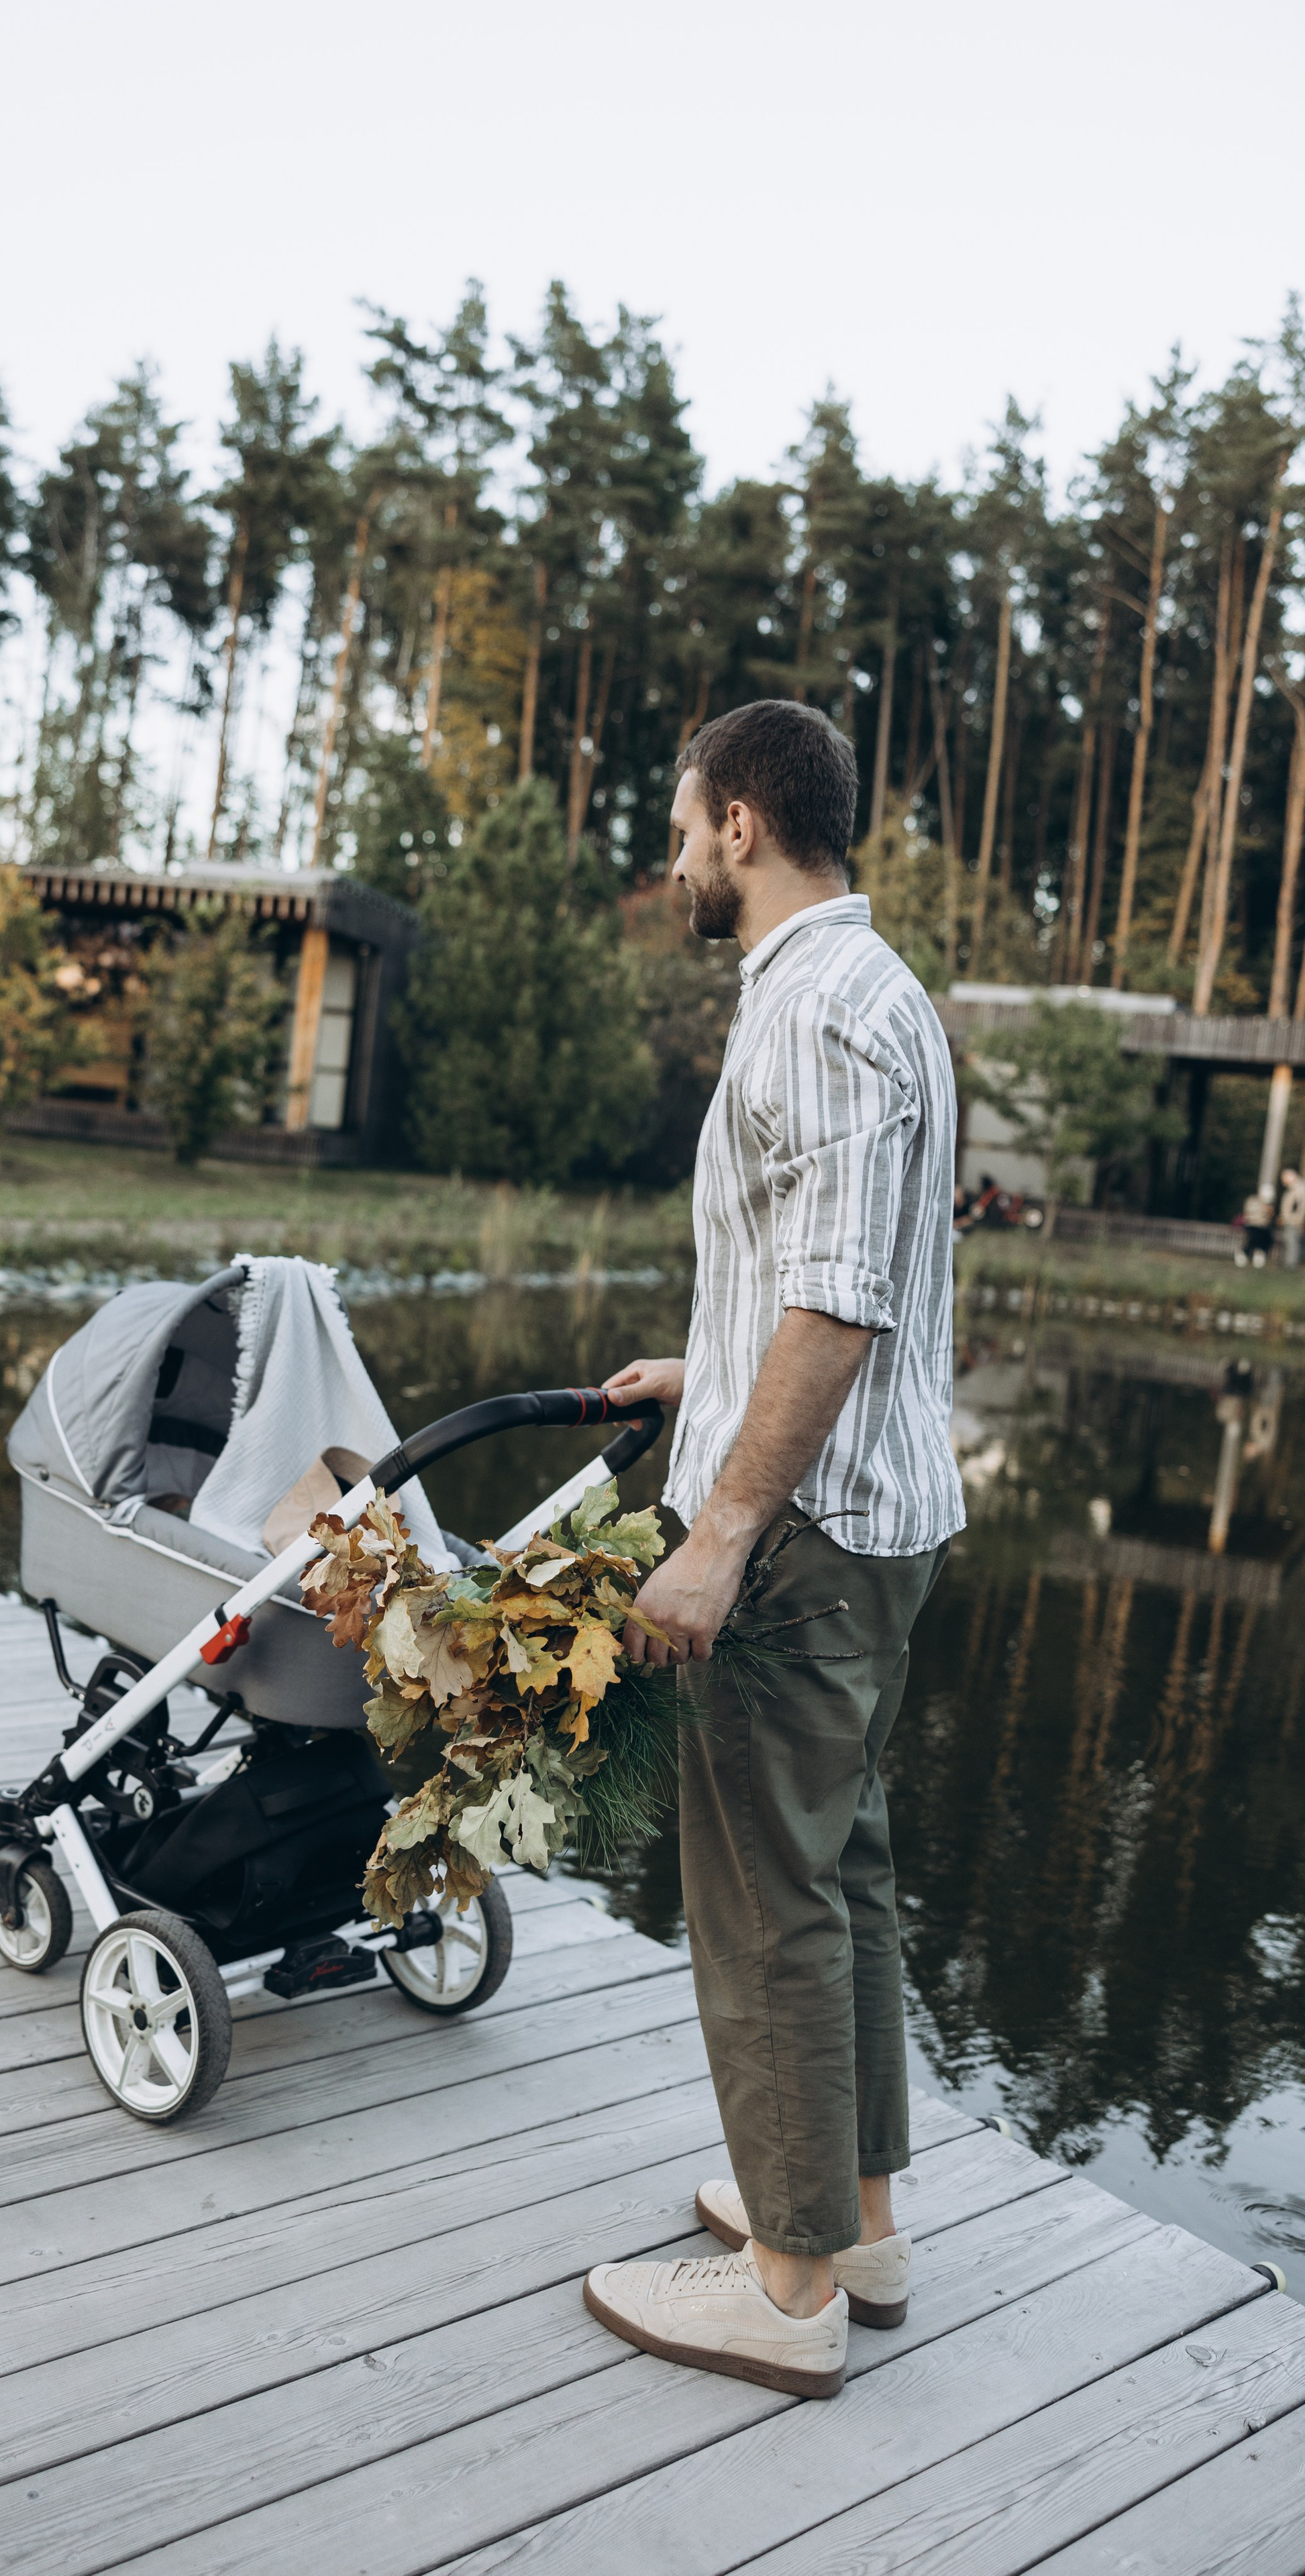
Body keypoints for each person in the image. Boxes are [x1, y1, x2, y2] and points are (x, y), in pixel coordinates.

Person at [583, 700, 963, 2401]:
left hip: (799, 1537)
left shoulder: (807, 1006)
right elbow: (824, 1272)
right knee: (843, 1872)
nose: (672, 855)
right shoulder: (885, 996)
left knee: (760, 1896)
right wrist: (707, 1366)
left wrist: (715, 1527)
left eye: (679, 823)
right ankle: (853, 2216)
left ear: (739, 821)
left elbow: (836, 1293)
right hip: (880, 1516)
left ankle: (788, 2283)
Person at [1279, 1166, 1305, 1269]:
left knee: (1292, 1241)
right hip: (1290, 1220)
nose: (1283, 1181)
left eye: (1284, 1178)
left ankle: (1291, 1264)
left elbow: (1300, 1207)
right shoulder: (1293, 1188)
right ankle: (1290, 1262)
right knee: (1290, 1241)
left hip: (1294, 1221)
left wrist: (1298, 1220)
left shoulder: (1299, 1188)